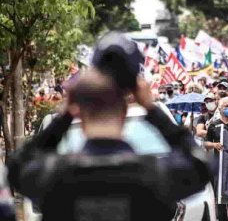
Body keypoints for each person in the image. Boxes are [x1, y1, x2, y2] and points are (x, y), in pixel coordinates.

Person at [7, 70, 212, 221]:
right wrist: (151, 108)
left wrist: (63, 117)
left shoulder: (54, 176)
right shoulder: (157, 174)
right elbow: (203, 165)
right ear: (123, 114)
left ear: (79, 113)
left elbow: (16, 167)